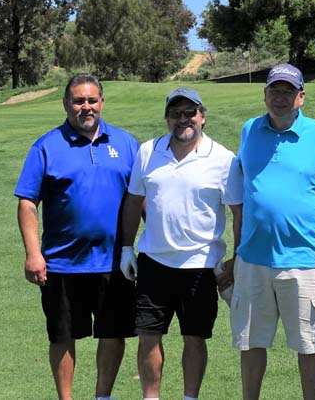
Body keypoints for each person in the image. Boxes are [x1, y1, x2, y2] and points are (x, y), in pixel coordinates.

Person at [14, 74, 140, 400]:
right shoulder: (46, 146)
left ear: (102, 102)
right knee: (62, 336)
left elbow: (143, 201)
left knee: (113, 334)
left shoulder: (126, 144)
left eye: (92, 100)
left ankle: (103, 396)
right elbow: (28, 203)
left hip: (114, 263)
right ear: (66, 104)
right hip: (61, 263)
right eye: (79, 100)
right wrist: (33, 254)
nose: (86, 107)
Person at [231, 64, 315, 400]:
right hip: (253, 258)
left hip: (304, 259)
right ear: (264, 94)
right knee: (250, 342)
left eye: (287, 91)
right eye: (274, 90)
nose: (280, 98)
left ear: (301, 97)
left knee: (309, 344)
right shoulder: (249, 129)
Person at [120, 87, 243, 400]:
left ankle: (190, 397)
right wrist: (125, 248)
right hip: (153, 262)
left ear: (202, 117)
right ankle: (151, 397)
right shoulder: (148, 152)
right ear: (167, 118)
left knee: (194, 338)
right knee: (148, 336)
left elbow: (239, 212)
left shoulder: (223, 159)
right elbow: (134, 202)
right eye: (175, 113)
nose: (183, 119)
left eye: (190, 112)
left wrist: (238, 257)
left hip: (200, 266)